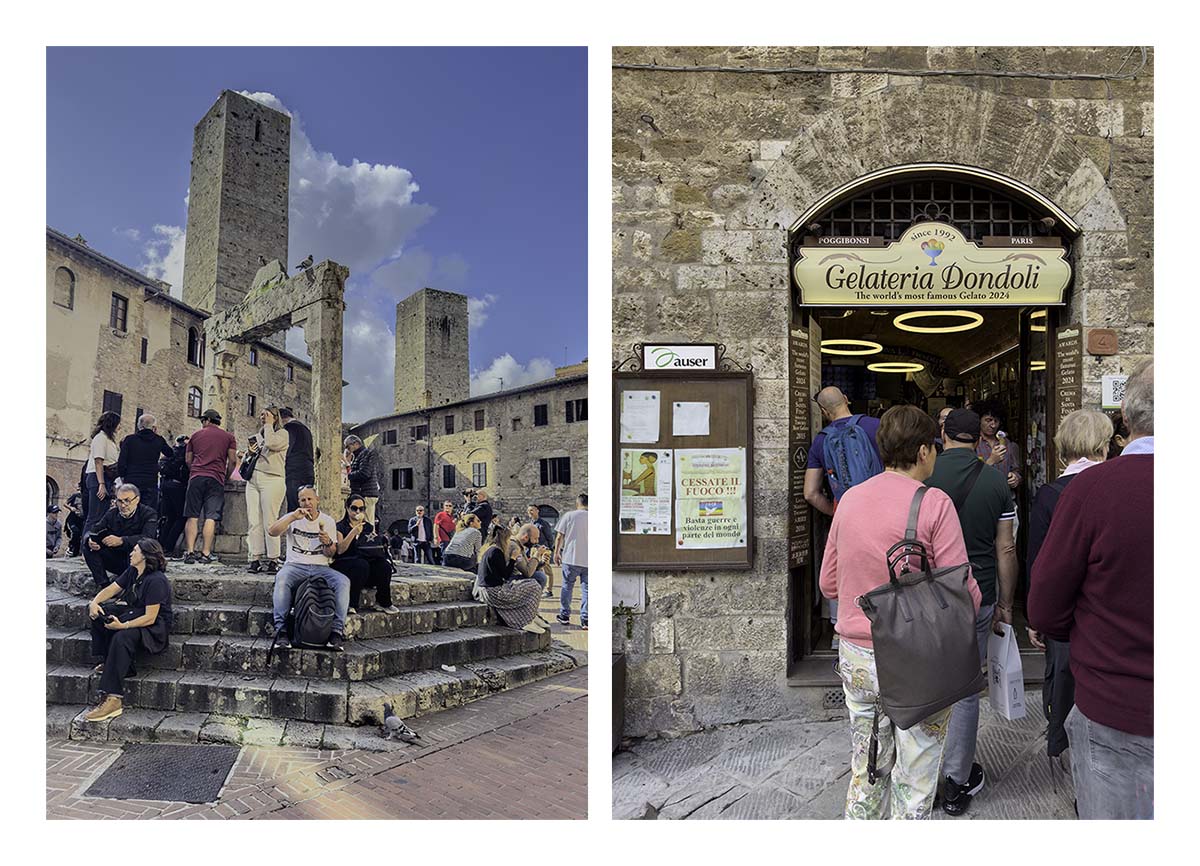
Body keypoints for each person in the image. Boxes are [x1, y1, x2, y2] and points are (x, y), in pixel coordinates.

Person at [820, 405, 980, 820]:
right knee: (917, 775)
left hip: (858, 655)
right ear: (926, 450)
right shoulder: (934, 503)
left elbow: (829, 584)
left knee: (867, 766)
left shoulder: (851, 499)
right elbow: (965, 592)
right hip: (918, 661)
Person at [1029, 360, 1153, 819]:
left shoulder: (1093, 489)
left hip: (1116, 703)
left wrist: (1070, 627)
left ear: (1125, 419)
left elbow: (1045, 604)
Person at [923, 407, 1016, 816]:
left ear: (943, 435)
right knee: (965, 686)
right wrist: (1007, 604)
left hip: (926, 595)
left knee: (924, 680)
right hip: (978, 595)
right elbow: (1006, 548)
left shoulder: (923, 477)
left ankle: (920, 772)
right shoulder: (995, 480)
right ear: (977, 437)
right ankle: (957, 779)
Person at [1025, 409, 1113, 765]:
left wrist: (1035, 617)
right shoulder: (1114, 487)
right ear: (1103, 445)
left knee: (1062, 679)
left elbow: (1038, 561)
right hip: (1104, 608)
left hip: (1065, 613)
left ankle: (1064, 742)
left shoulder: (1050, 494)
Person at [82, 538, 173, 722]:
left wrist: (122, 626)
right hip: (135, 613)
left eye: (135, 551)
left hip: (153, 628)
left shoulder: (157, 580)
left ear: (146, 556)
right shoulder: (133, 571)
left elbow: (151, 617)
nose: (131, 553)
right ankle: (112, 662)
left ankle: (113, 698)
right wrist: (94, 603)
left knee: (121, 637)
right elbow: (112, 589)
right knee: (101, 614)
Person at [267, 485, 351, 650]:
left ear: (317, 500)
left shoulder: (327, 521)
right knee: (282, 578)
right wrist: (292, 517)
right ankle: (281, 630)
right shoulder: (293, 517)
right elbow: (272, 532)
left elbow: (330, 554)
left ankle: (336, 632)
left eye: (310, 499)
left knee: (343, 582)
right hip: (295, 565)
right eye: (303, 500)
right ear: (299, 502)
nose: (307, 503)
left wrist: (327, 543)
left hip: (320, 566)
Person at [803, 386, 883, 517]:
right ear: (846, 399)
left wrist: (836, 512)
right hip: (880, 509)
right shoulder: (877, 426)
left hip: (847, 515)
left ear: (824, 411)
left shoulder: (820, 441)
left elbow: (810, 493)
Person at [182, 409, 237, 564]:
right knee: (211, 517)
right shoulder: (229, 437)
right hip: (216, 479)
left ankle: (190, 552)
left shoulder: (195, 435)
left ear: (206, 420)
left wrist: (195, 470)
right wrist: (226, 476)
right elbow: (233, 460)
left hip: (196, 477)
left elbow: (188, 460)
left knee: (192, 516)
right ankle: (206, 553)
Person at [83, 483, 159, 589]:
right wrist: (90, 540)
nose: (123, 505)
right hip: (117, 558)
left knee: (140, 550)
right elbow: (94, 529)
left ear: (137, 500)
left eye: (127, 500)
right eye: (119, 501)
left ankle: (131, 587)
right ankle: (104, 585)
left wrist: (122, 540)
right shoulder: (112, 513)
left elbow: (148, 537)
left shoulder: (149, 514)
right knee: (87, 547)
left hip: (139, 559)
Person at [332, 494, 399, 615]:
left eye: (361, 508)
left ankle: (383, 602)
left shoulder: (368, 527)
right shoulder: (340, 527)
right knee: (361, 565)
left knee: (383, 566)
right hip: (346, 562)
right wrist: (353, 533)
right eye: (354, 508)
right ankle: (351, 603)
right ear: (347, 508)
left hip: (365, 562)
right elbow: (340, 550)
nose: (357, 511)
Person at [474, 524, 545, 633]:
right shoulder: (497, 551)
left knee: (534, 583)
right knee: (535, 585)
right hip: (492, 592)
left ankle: (531, 617)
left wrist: (541, 562)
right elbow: (508, 574)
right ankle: (526, 621)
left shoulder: (493, 550)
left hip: (491, 589)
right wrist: (513, 558)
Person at [245, 406, 290, 574]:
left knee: (270, 521)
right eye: (262, 414)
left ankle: (273, 559)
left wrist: (269, 426)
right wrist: (249, 453)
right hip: (253, 479)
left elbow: (271, 444)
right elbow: (252, 456)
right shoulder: (260, 434)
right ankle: (254, 557)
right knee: (253, 520)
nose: (262, 416)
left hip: (272, 479)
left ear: (275, 417)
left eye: (267, 414)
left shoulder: (282, 434)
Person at [115, 413, 172, 514]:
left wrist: (122, 476)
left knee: (129, 510)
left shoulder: (129, 439)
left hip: (131, 479)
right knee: (148, 512)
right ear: (154, 427)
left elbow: (122, 461)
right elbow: (170, 453)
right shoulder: (158, 440)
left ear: (139, 426)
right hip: (150, 480)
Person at [82, 411, 121, 536]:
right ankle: (86, 547)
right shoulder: (101, 438)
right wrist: (101, 484)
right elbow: (98, 461)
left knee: (101, 516)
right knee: (95, 516)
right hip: (98, 477)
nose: (120, 427)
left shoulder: (108, 439)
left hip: (104, 478)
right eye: (118, 424)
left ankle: (92, 546)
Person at [553, 492, 588, 630]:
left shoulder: (569, 516)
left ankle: (565, 615)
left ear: (577, 503)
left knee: (567, 586)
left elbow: (559, 537)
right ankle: (585, 619)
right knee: (588, 590)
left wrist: (556, 553)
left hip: (571, 557)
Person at [974, 399, 1021, 490]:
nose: (993, 425)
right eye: (988, 420)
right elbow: (971, 475)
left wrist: (1015, 477)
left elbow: (1016, 469)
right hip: (983, 495)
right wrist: (991, 461)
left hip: (1005, 496)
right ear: (979, 420)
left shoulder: (1006, 443)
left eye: (996, 421)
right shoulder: (974, 443)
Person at [157, 435, 190, 556]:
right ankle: (169, 546)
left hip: (165, 484)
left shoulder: (171, 453)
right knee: (181, 517)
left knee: (169, 517)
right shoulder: (185, 453)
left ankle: (161, 545)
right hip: (178, 486)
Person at [280, 407, 315, 512]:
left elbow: (286, 449)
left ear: (282, 419)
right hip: (308, 471)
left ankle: (295, 528)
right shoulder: (306, 429)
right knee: (306, 506)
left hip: (294, 472)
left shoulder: (290, 427)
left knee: (294, 508)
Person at [343, 435, 382, 524]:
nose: (347, 449)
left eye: (348, 446)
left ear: (356, 444)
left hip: (366, 494)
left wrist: (348, 475)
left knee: (368, 524)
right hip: (362, 494)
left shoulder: (367, 453)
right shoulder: (357, 456)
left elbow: (364, 473)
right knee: (361, 522)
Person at [526, 504, 556, 596]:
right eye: (529, 511)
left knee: (547, 569)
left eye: (532, 510)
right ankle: (539, 588)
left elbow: (550, 537)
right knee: (535, 569)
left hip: (543, 549)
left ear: (537, 511)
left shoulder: (543, 524)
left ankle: (549, 590)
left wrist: (550, 548)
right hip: (533, 549)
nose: (530, 512)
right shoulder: (530, 524)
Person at [511, 523, 551, 591]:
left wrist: (542, 563)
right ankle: (532, 599)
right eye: (535, 538)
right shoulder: (515, 547)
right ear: (526, 537)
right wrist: (537, 554)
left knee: (539, 573)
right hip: (509, 580)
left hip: (514, 577)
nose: (537, 542)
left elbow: (527, 566)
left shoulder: (518, 544)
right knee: (540, 577)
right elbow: (528, 573)